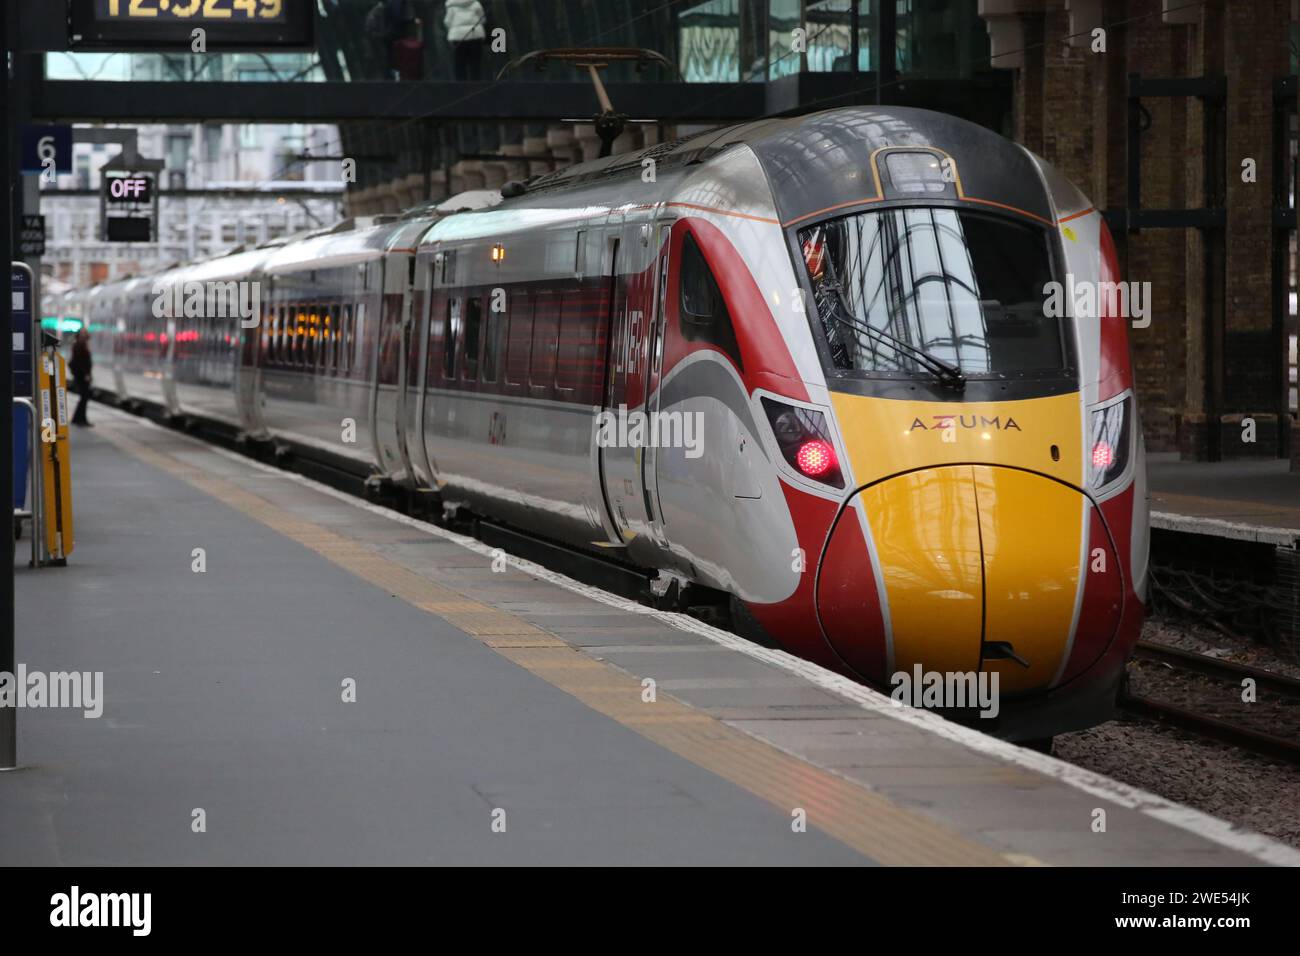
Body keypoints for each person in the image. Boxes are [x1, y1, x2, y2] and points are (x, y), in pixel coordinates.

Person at [445, 0, 487, 81]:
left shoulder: (451, 5)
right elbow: (482, 19)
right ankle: (476, 86)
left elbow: (447, 21)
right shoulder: (475, 3)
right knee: (475, 63)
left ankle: (461, 87)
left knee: (460, 63)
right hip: (475, 35)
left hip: (458, 37)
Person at [70, 328, 93, 427]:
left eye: (85, 333)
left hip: (83, 375)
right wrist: (85, 374)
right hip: (81, 376)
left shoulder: (83, 344)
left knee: (84, 397)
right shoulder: (78, 345)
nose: (84, 334)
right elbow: (78, 362)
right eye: (82, 333)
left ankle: (79, 419)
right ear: (79, 334)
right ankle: (80, 419)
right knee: (84, 397)